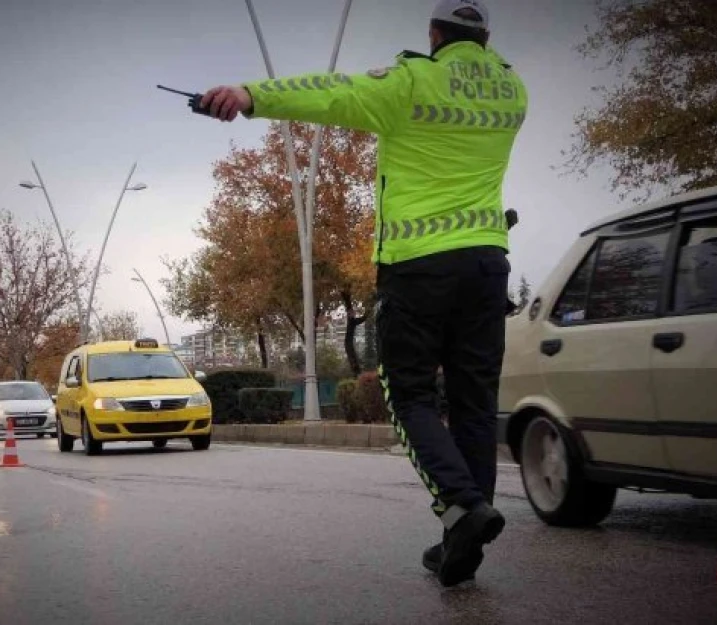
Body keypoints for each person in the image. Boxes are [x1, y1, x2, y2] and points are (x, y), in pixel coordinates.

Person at [200, 0, 528, 586]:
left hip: (417, 267)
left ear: (434, 34)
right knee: (476, 402)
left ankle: (463, 505)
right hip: (487, 265)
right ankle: (464, 543)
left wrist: (248, 96)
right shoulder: (512, 92)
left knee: (408, 398)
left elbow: (330, 91)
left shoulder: (409, 82)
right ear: (484, 37)